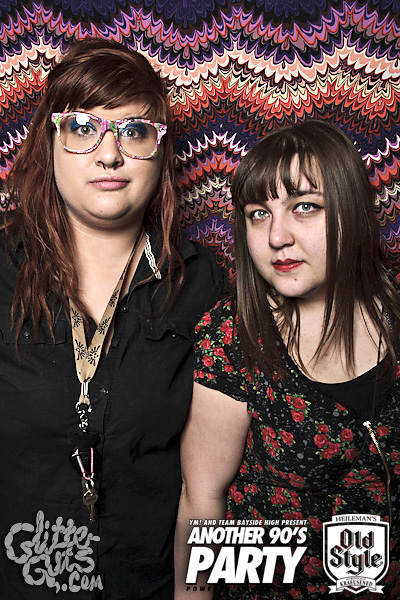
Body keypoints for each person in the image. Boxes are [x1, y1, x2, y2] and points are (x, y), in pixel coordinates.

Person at [0, 38, 226, 599]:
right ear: (49, 143)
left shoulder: (203, 284)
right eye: (83, 128)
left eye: (135, 131)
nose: (109, 155)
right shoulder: (2, 268)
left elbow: (208, 492)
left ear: (160, 151)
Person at [175, 120, 400, 599]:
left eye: (305, 207)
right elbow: (202, 499)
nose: (277, 236)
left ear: (351, 210)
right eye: (258, 214)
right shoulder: (233, 337)